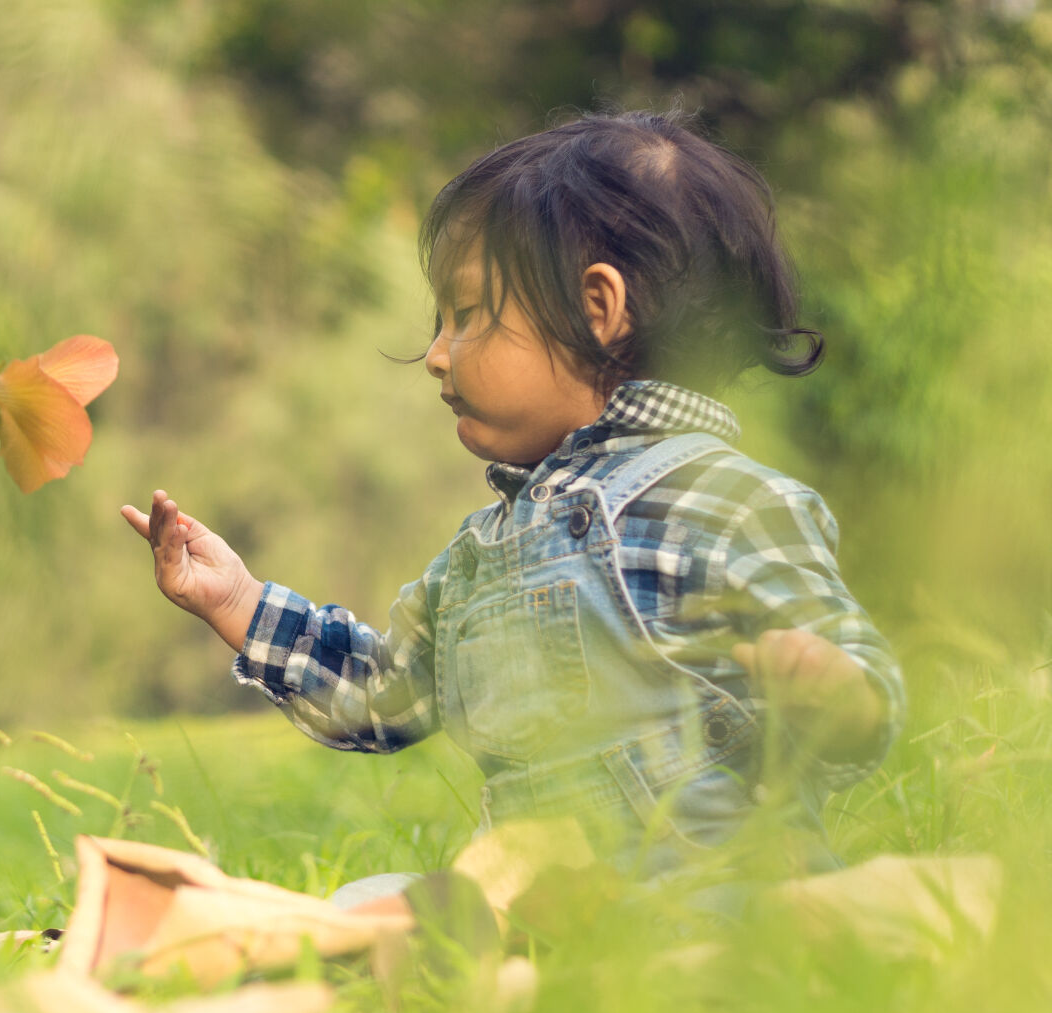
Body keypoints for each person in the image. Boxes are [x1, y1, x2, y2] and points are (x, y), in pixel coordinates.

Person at [120, 110, 903, 894]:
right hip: (544, 916)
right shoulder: (478, 555)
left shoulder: (731, 501)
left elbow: (859, 680)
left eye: (465, 316)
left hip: (719, 902)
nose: (434, 356)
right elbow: (378, 692)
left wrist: (838, 695)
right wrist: (243, 603)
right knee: (376, 899)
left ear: (599, 309)